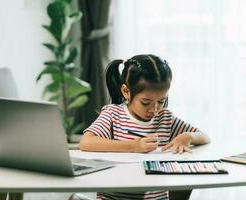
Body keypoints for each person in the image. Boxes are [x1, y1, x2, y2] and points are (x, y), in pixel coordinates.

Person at [79, 54, 210, 200]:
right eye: (146, 103)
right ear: (126, 92)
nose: (154, 109)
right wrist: (133, 146)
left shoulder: (165, 118)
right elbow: (86, 142)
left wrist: (188, 136)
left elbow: (204, 136)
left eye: (161, 101)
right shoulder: (113, 114)